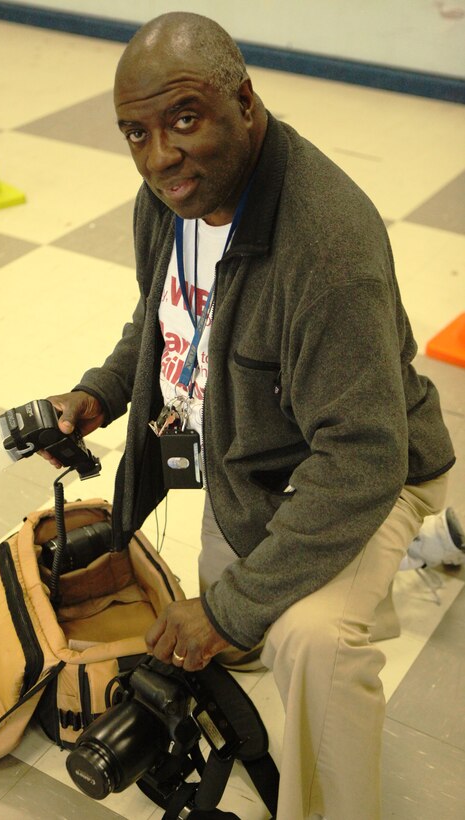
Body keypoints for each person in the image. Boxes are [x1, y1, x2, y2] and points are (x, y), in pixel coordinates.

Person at [42, 13, 455, 820]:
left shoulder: (326, 247)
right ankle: (429, 557)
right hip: (248, 462)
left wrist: (232, 611)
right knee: (233, 622)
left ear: (245, 102)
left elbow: (362, 456)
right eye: (136, 132)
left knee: (308, 639)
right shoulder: (167, 200)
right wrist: (101, 392)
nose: (159, 156)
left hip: (365, 467)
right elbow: (163, 318)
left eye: (184, 120)